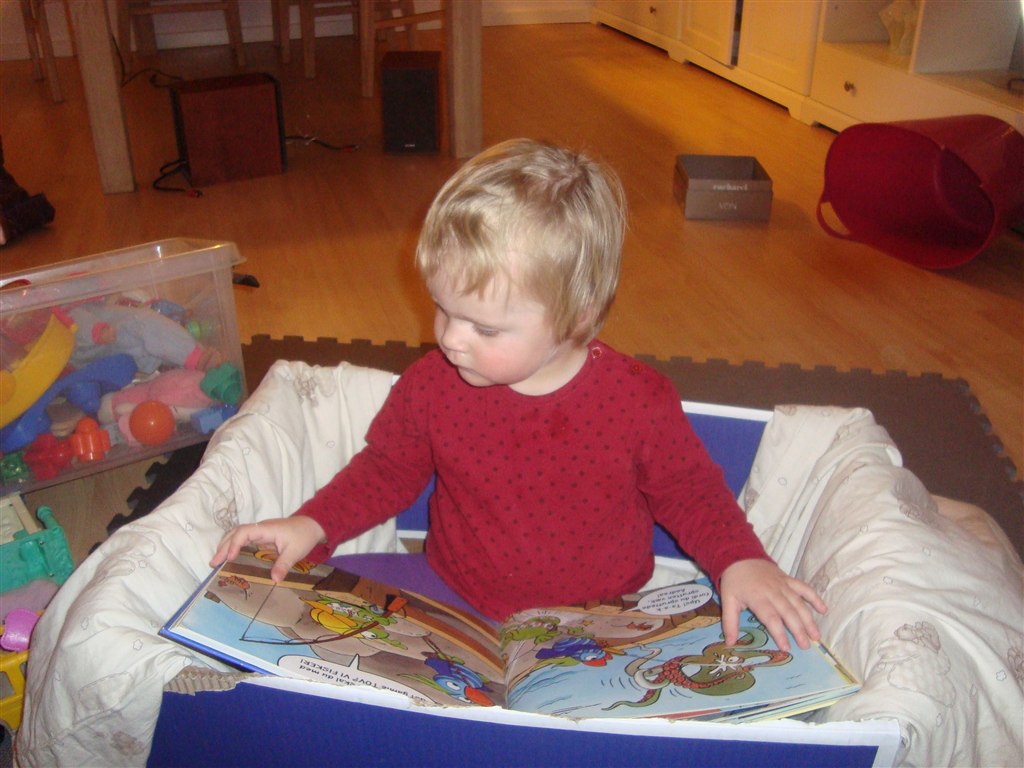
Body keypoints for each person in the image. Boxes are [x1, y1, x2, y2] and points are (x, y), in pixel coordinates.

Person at [212, 138, 826, 651]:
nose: (450, 339)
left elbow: (690, 490)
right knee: (295, 621)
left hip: (602, 617)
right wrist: (311, 523)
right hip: (452, 590)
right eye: (442, 309)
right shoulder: (432, 383)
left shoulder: (637, 401)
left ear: (575, 317)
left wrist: (740, 560)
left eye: (484, 328)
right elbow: (388, 470)